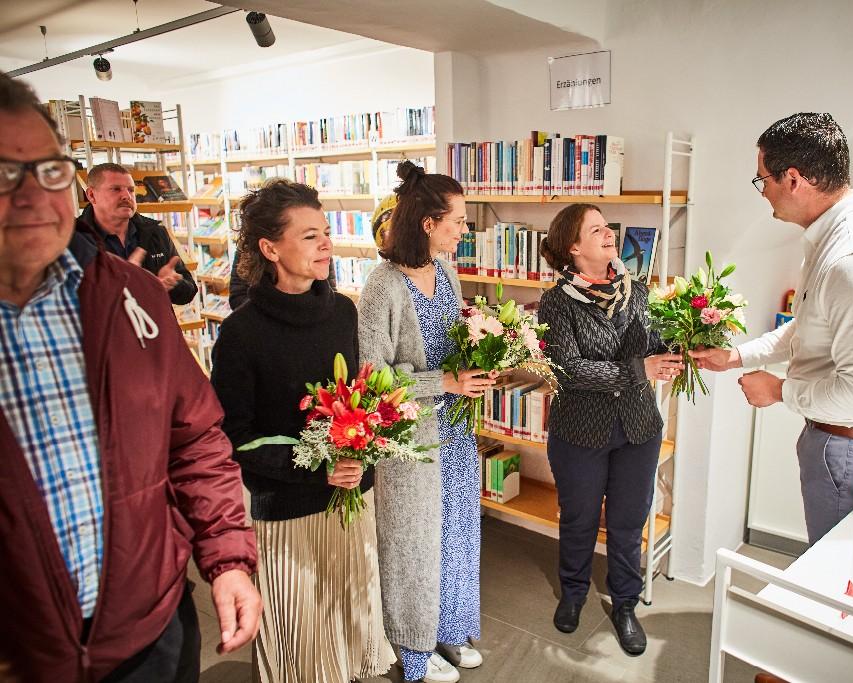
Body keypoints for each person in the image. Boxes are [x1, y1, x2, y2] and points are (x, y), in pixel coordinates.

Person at [0, 72, 260, 681]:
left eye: (49, 170)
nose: (35, 195)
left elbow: (194, 436)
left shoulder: (130, 296)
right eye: (5, 175)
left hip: (155, 635)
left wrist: (226, 560)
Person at [691, 112, 853, 546]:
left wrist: (778, 390)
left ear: (793, 179)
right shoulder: (837, 237)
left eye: (764, 181)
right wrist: (737, 356)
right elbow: (812, 326)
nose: (764, 194)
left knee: (839, 581)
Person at [210, 179, 394, 682]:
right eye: (310, 236)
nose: (327, 244)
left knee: (347, 631)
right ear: (270, 248)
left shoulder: (343, 312)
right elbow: (234, 438)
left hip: (348, 507)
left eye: (326, 232)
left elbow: (363, 400)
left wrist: (364, 456)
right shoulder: (240, 333)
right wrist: (318, 468)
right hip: (288, 517)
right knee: (300, 642)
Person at [358, 161, 494, 683]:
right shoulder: (382, 286)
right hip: (409, 439)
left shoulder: (447, 272)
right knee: (413, 543)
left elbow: (453, 344)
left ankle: (447, 631)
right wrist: (446, 383)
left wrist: (483, 357)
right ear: (427, 223)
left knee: (456, 531)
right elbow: (372, 377)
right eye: (457, 220)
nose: (464, 230)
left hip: (454, 430)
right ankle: (413, 649)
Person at [536, 203, 685, 656]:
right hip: (579, 432)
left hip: (638, 430)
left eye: (608, 227)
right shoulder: (555, 302)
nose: (609, 234)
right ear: (573, 247)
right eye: (596, 229)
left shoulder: (638, 291)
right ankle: (575, 593)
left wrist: (685, 340)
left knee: (628, 521)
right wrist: (641, 369)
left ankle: (624, 604)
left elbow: (655, 345)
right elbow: (570, 370)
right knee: (579, 520)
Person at [76, 162, 198, 305]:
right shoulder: (74, 240)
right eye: (116, 189)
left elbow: (189, 292)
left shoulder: (155, 232)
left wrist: (173, 284)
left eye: (131, 190)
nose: (126, 196)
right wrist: (130, 286)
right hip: (105, 327)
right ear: (91, 195)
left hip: (153, 326)